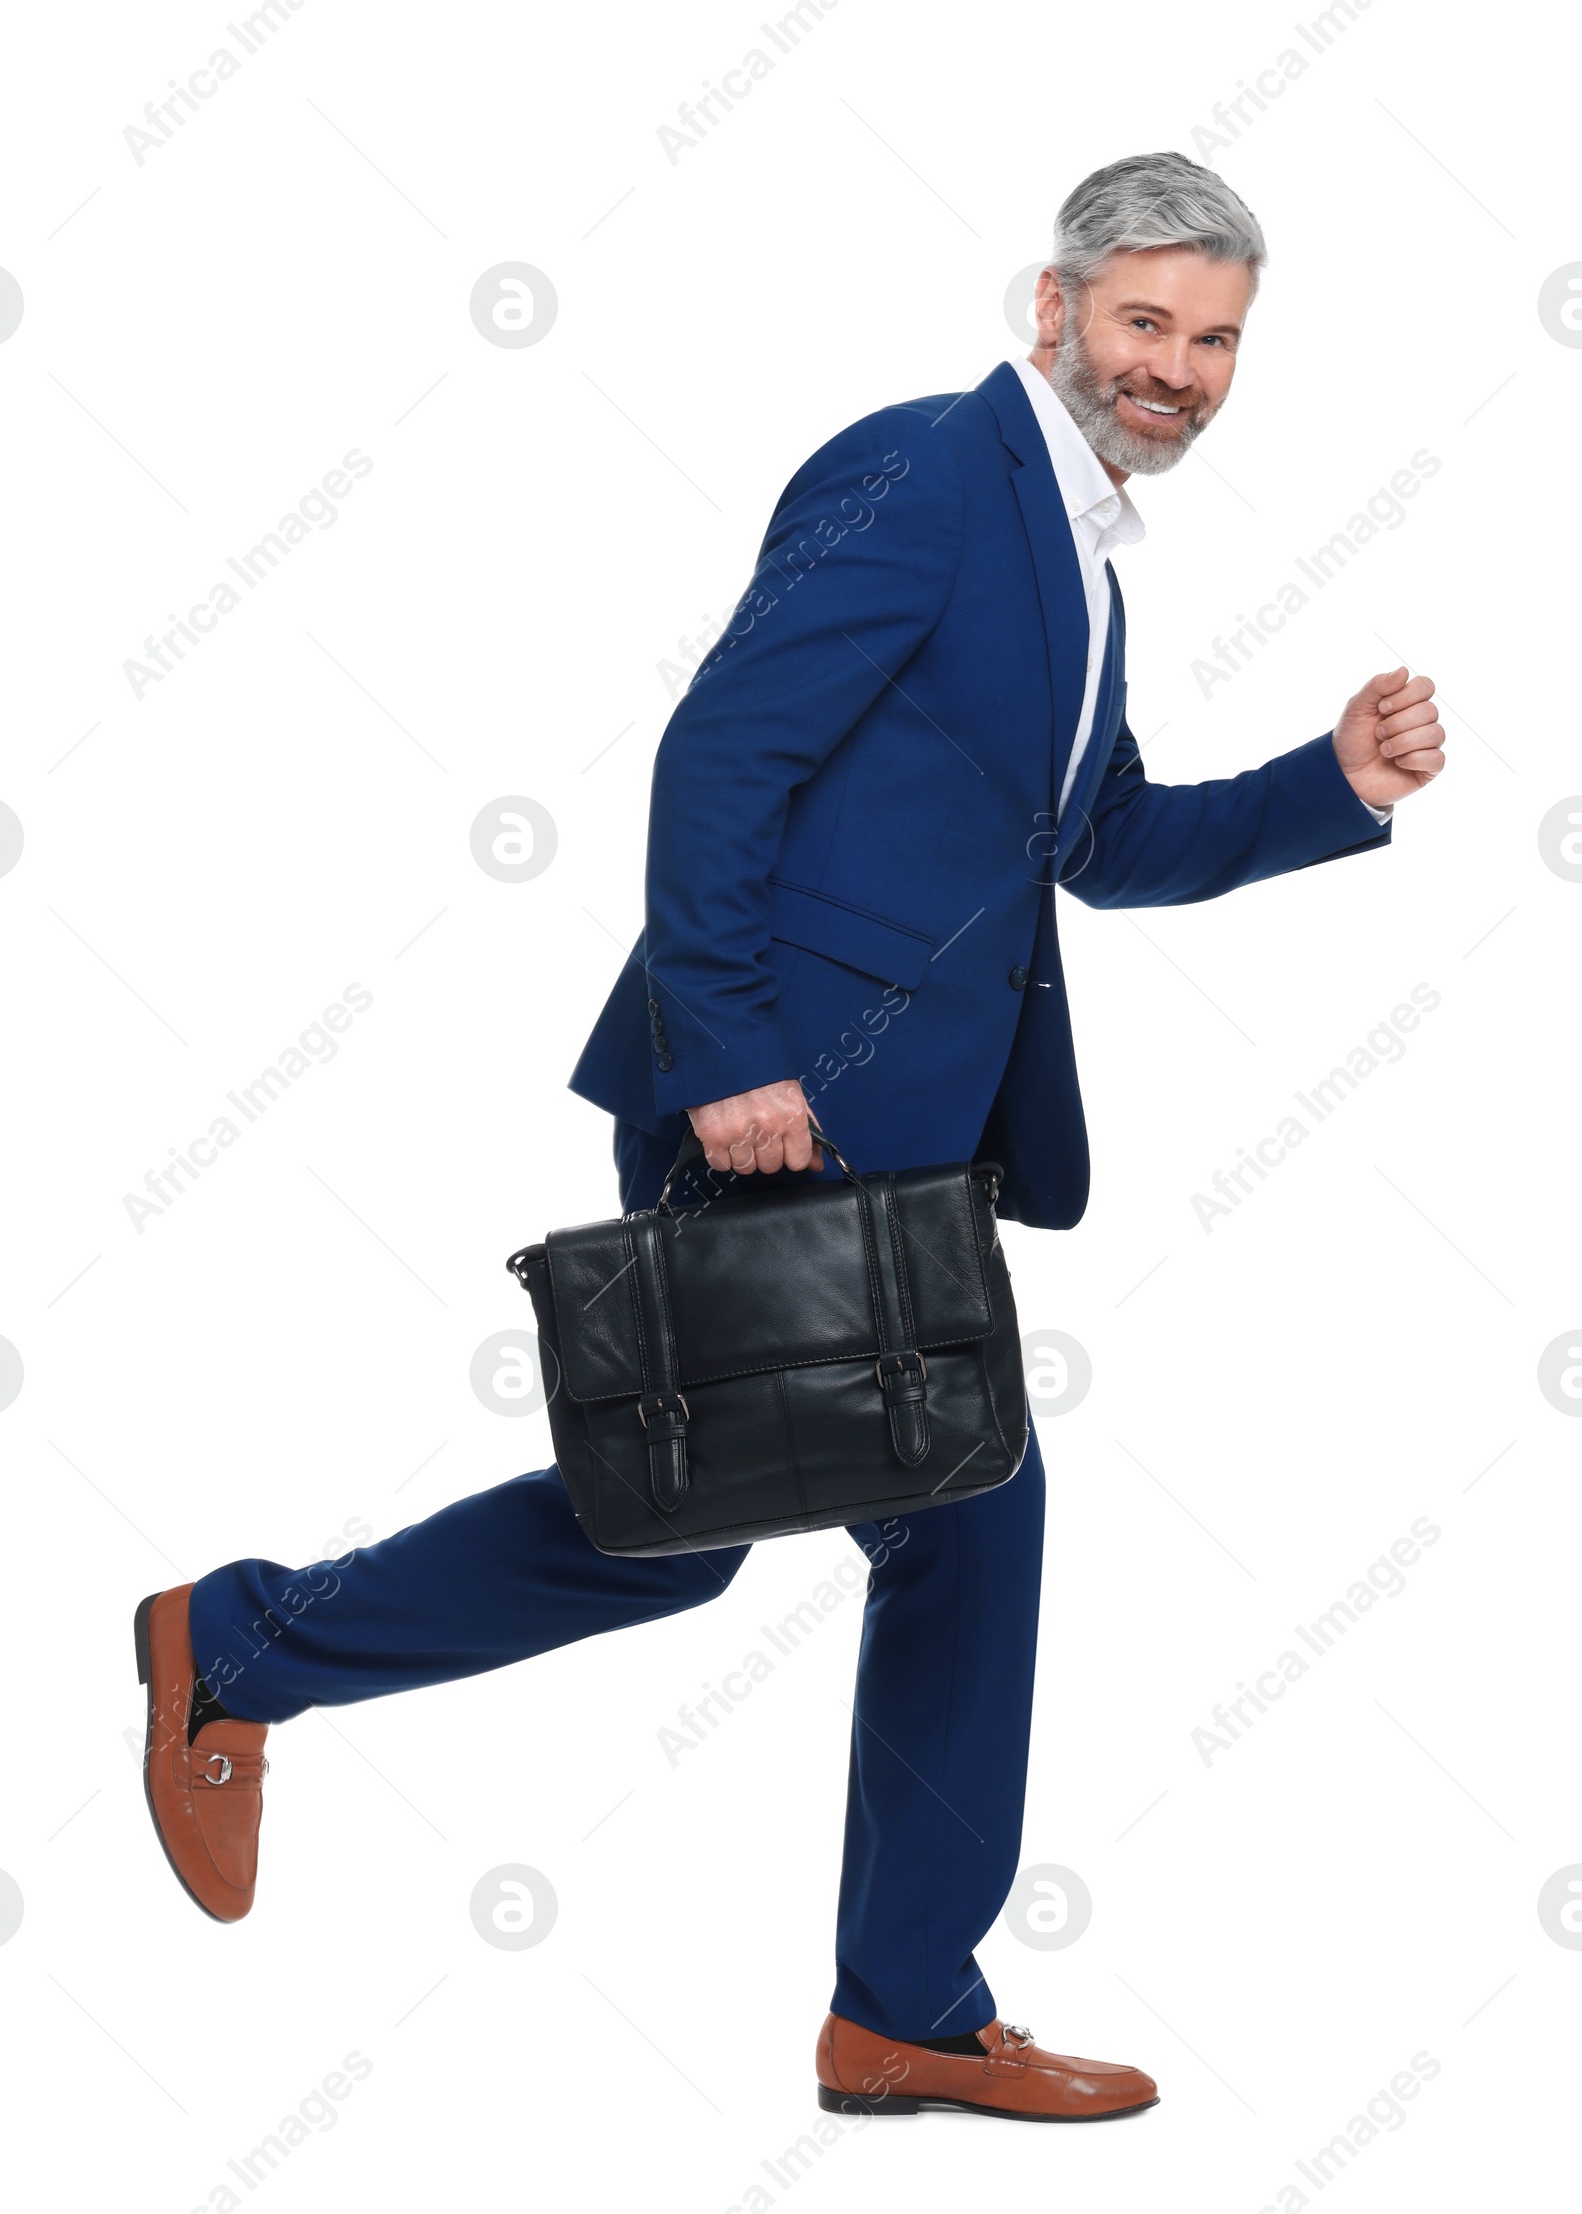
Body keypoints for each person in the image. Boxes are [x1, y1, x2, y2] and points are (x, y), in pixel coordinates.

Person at [135, 150, 1445, 2125]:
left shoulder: (1073, 554)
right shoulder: (931, 474)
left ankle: (885, 1996)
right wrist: (732, 1049)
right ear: (1050, 309)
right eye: (1144, 323)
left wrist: (1322, 786)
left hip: (896, 1146)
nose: (1175, 368)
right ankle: (246, 1651)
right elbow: (722, 749)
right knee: (778, 1528)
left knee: (831, 1532)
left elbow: (1088, 843)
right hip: (771, 1111)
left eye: (1212, 341)